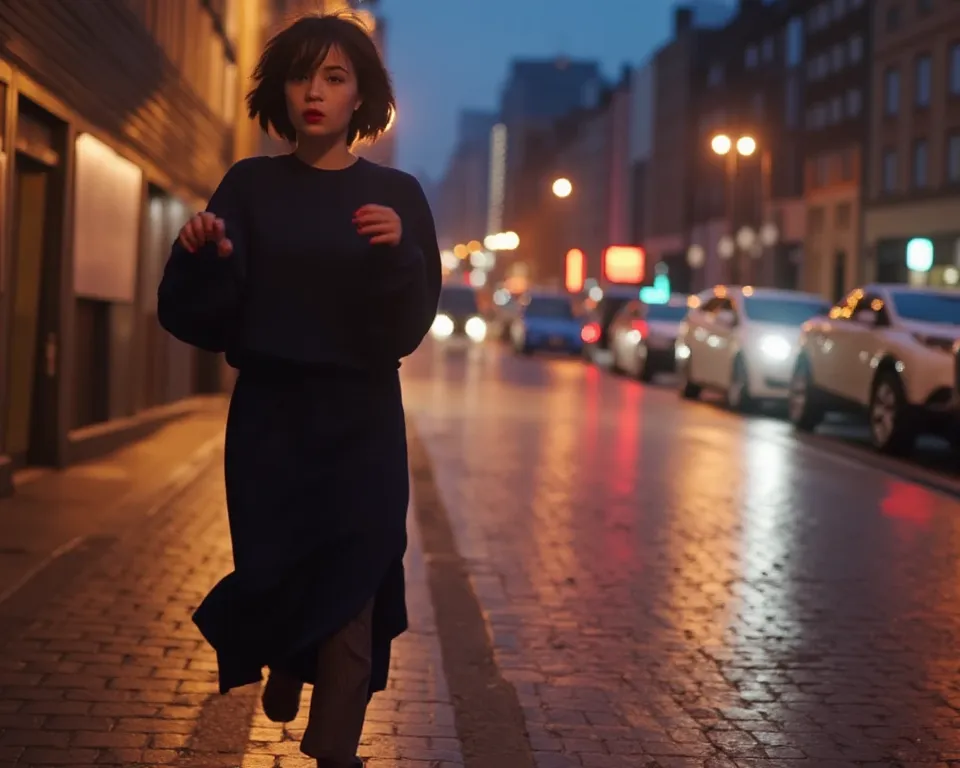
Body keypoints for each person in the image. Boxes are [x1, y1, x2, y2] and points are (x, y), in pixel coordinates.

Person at [156, 12, 441, 768]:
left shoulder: (398, 194)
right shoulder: (250, 186)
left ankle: (335, 748)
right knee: (276, 569)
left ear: (360, 98)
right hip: (272, 423)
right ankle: (285, 654)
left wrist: (399, 255)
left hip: (363, 421)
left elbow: (409, 328)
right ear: (281, 91)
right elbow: (198, 319)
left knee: (358, 574)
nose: (315, 91)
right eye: (301, 76)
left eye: (335, 77)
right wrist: (203, 256)